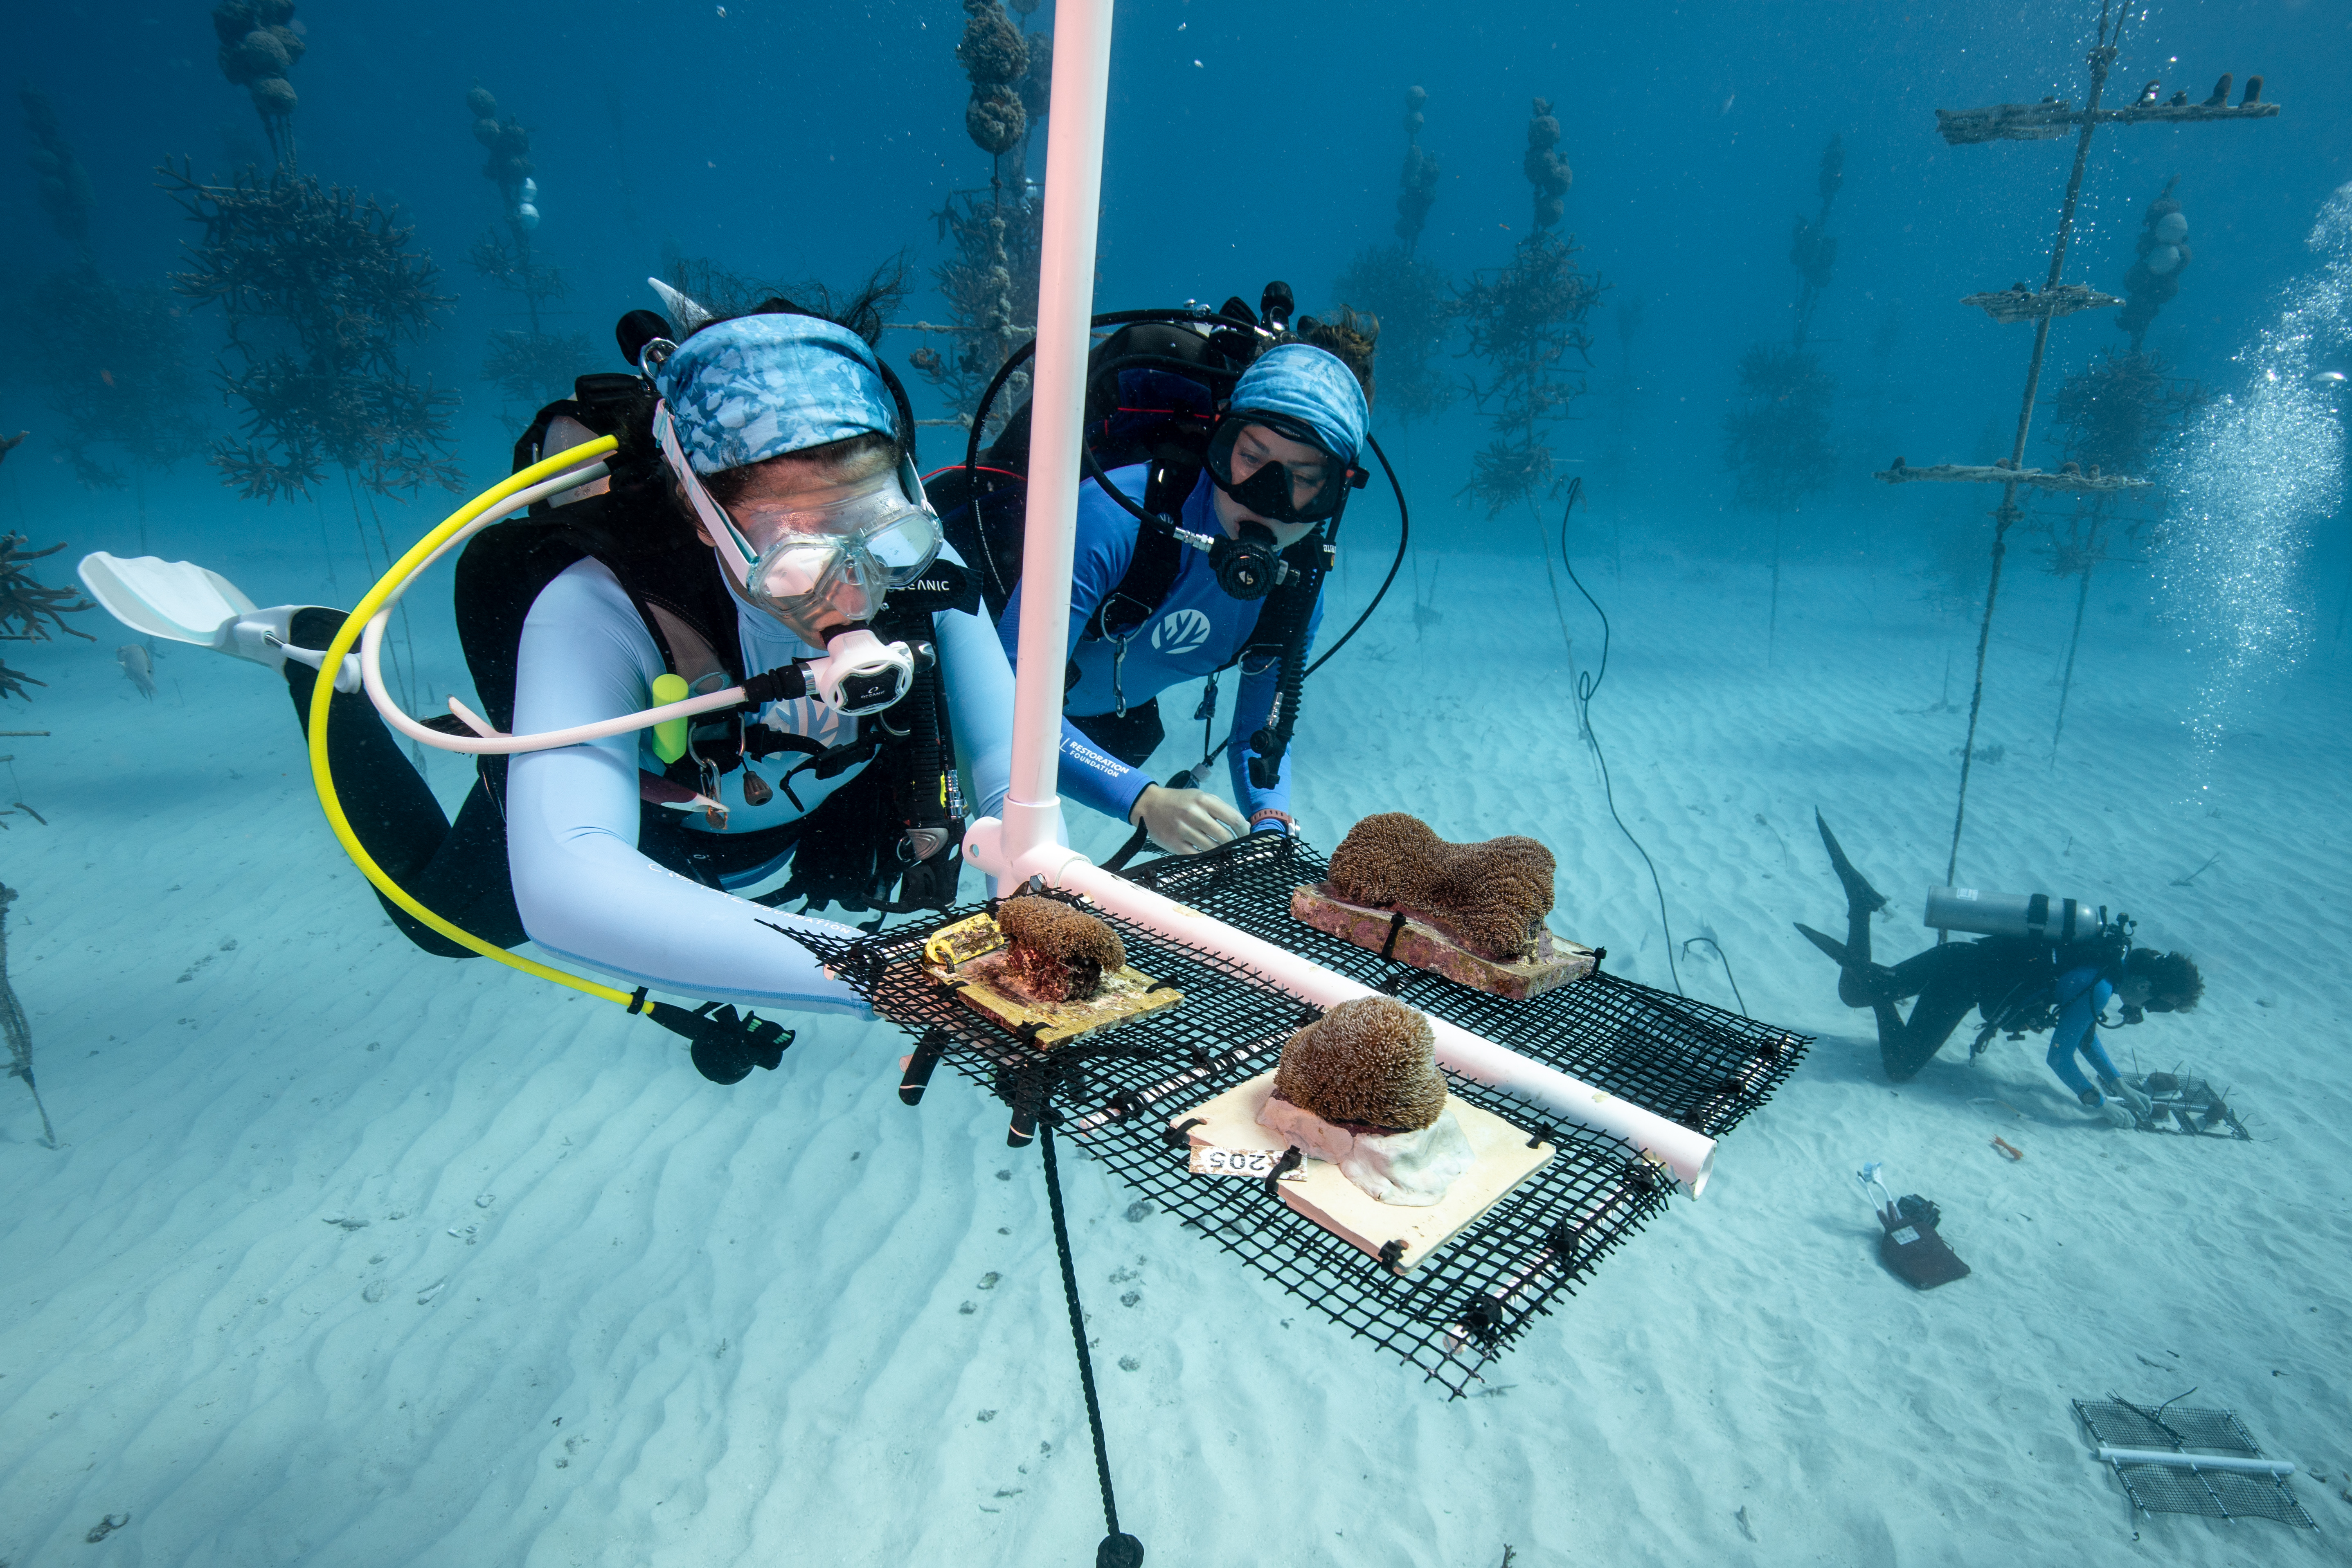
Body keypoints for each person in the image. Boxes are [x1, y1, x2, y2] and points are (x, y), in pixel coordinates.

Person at [149, 285, 1016, 1048]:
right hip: (642, 808)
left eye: (877, 521)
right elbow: (569, 884)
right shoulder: (599, 603)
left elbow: (1011, 769)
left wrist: (1085, 858)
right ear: (701, 513)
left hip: (782, 828)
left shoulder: (925, 575)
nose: (852, 583)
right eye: (794, 547)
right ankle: (322, 659)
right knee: (439, 923)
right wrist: (886, 981)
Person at [994, 340, 1371, 855]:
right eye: (1251, 457)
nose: (1263, 493)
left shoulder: (1296, 588)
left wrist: (1270, 825)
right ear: (1221, 446)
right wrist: (1143, 800)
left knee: (1129, 741)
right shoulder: (1113, 517)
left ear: (1334, 494)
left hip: (1104, 729)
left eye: (1302, 478)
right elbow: (1007, 697)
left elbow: (1257, 738)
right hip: (973, 714)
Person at [1796, 812, 2203, 1123]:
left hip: (1959, 958)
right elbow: (2060, 1057)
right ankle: (1882, 986)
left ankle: (1861, 906)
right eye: (2157, 1004)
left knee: (1853, 993)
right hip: (1961, 979)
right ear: (2148, 983)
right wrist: (2095, 1102)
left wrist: (2118, 1085)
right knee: (1899, 1067)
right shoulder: (2098, 983)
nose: (2146, 1010)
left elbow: (2085, 1038)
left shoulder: (2103, 962)